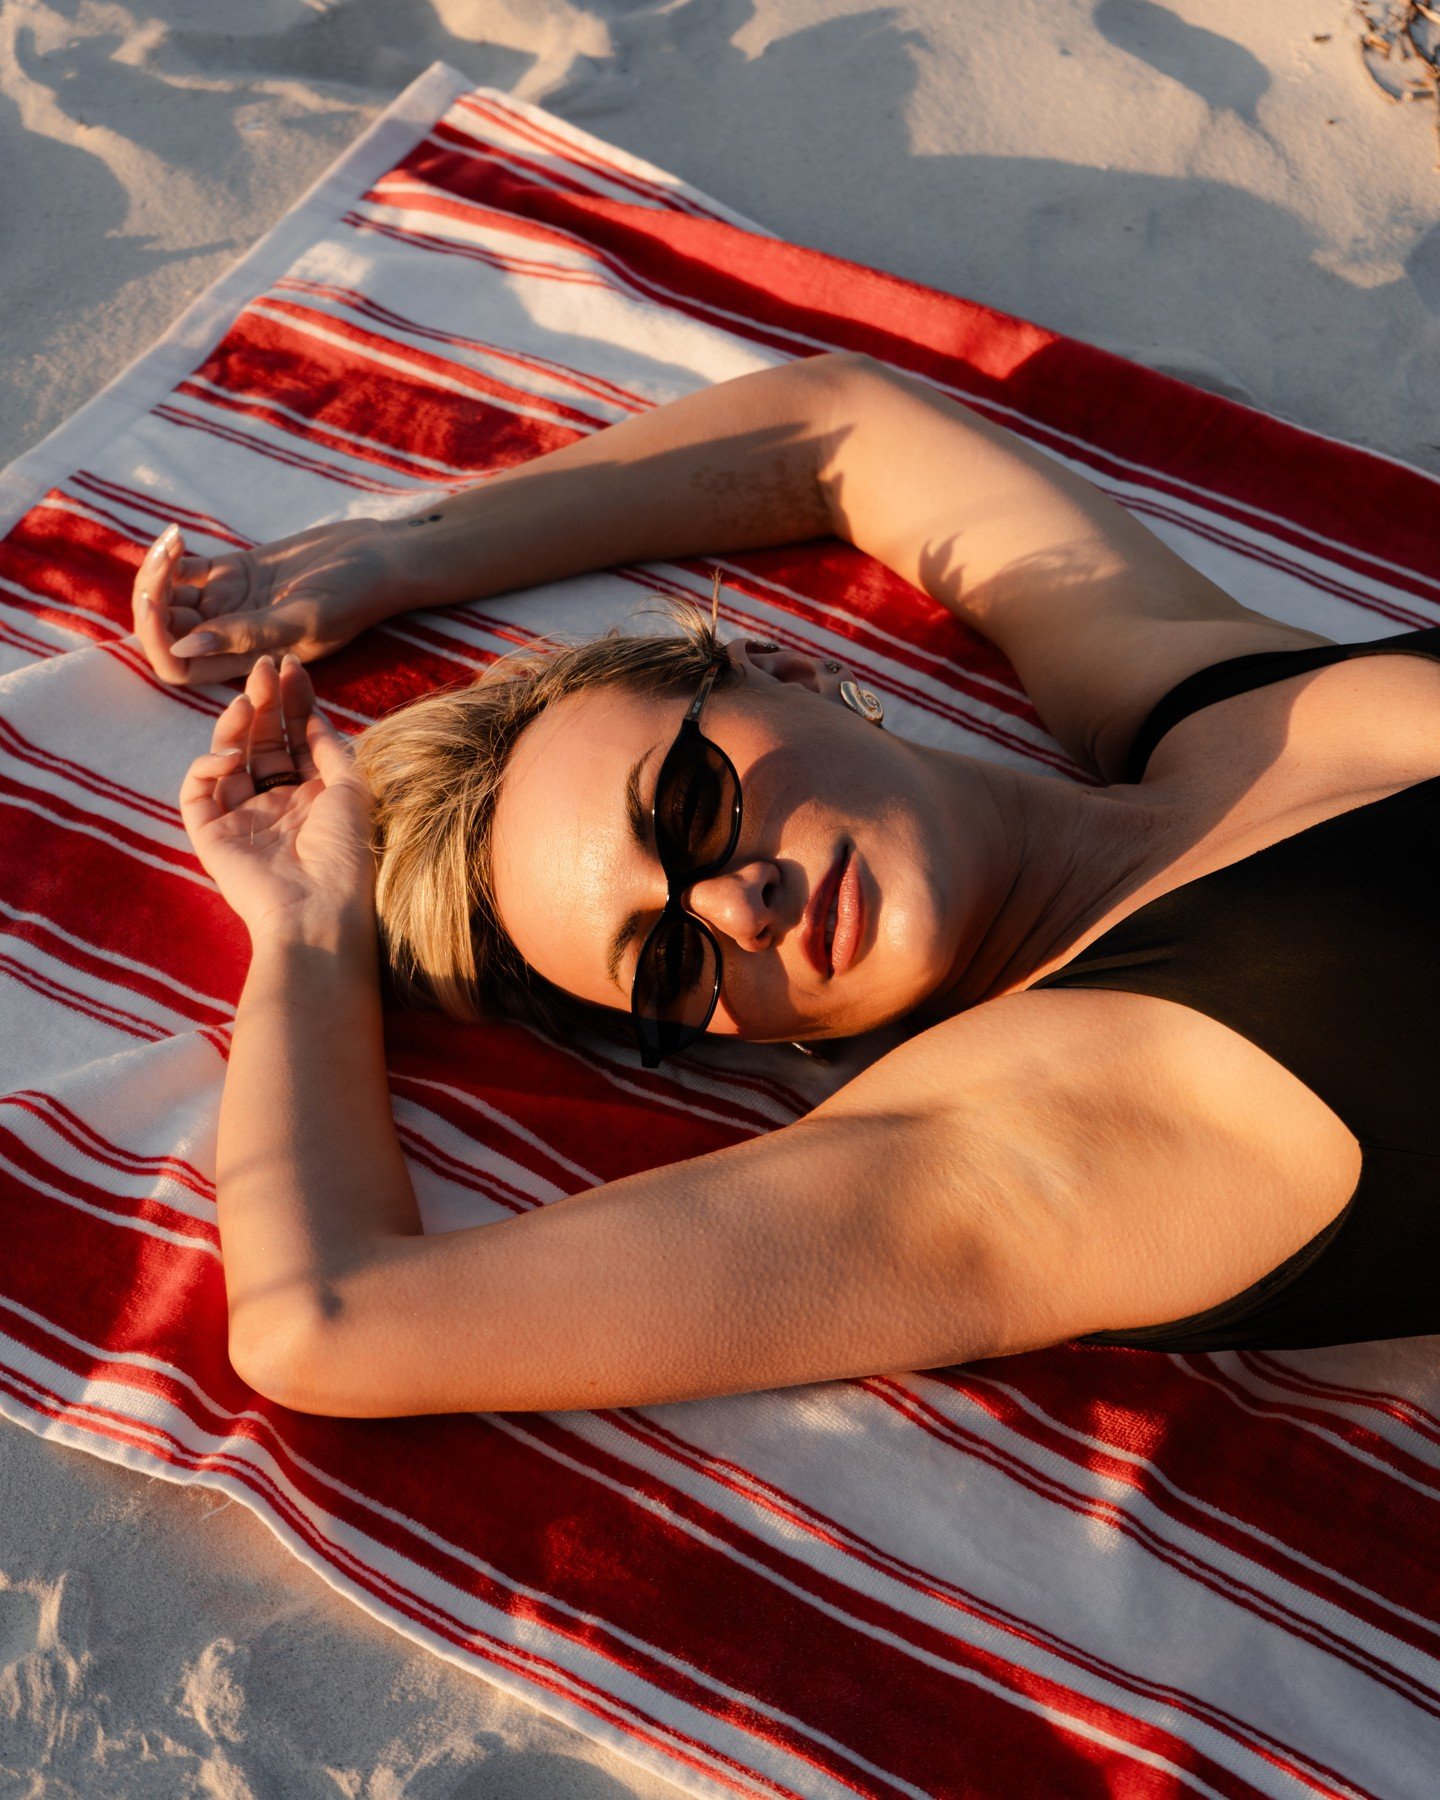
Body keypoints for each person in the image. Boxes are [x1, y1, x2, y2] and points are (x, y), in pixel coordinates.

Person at [131, 351, 1440, 1415]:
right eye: (668, 963)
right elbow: (329, 1322)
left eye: (690, 805)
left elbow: (835, 426)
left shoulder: (1177, 689)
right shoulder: (1029, 1134)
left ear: (792, 672)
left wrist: (405, 553)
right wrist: (307, 932)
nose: (735, 907)